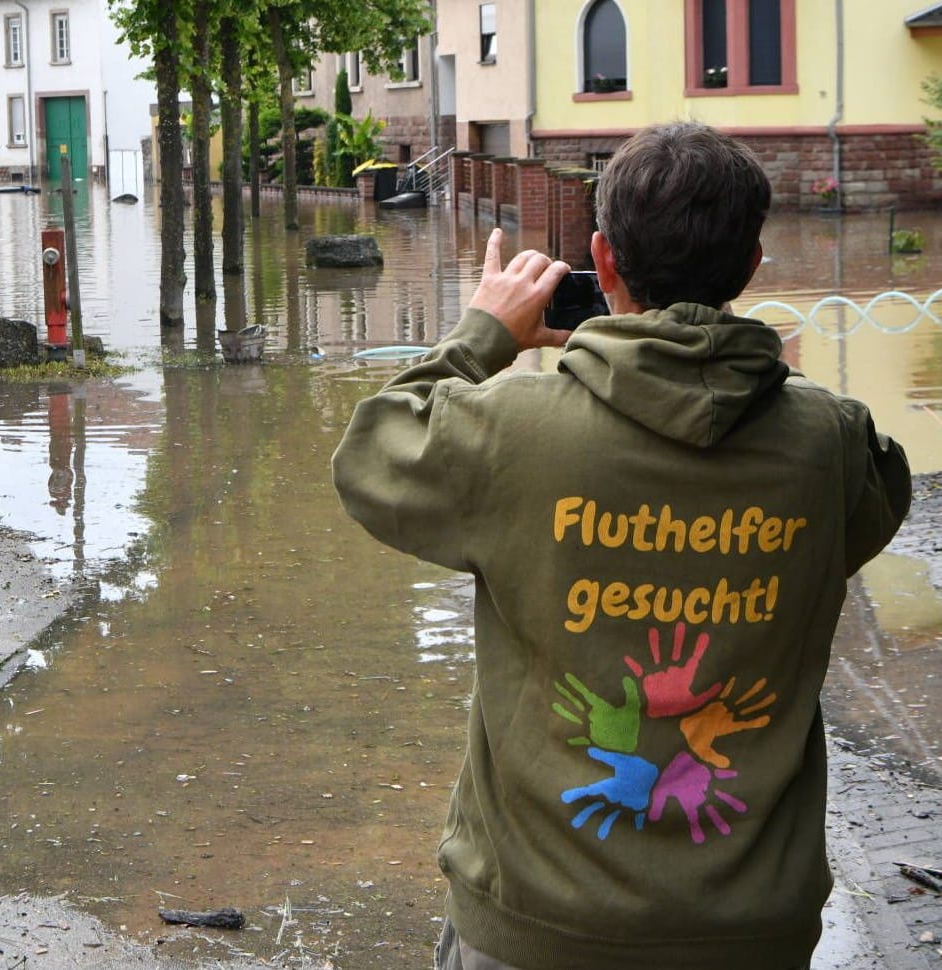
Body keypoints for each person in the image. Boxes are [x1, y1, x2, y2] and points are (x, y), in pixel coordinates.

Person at [331, 121, 911, 970]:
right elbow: (873, 500)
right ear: (749, 269)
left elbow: (369, 453)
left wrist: (483, 335)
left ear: (601, 264)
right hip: (750, 929)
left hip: (534, 924)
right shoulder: (828, 442)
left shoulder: (510, 432)